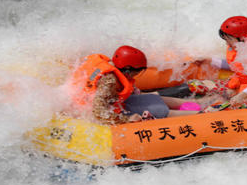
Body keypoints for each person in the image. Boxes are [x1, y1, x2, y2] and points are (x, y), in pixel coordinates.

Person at [68, 45, 202, 125]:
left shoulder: (111, 67)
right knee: (159, 110)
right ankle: (201, 115)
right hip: (93, 115)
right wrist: (127, 119)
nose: (137, 75)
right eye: (137, 72)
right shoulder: (109, 82)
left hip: (111, 105)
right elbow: (98, 111)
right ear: (127, 69)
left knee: (153, 99)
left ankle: (201, 106)